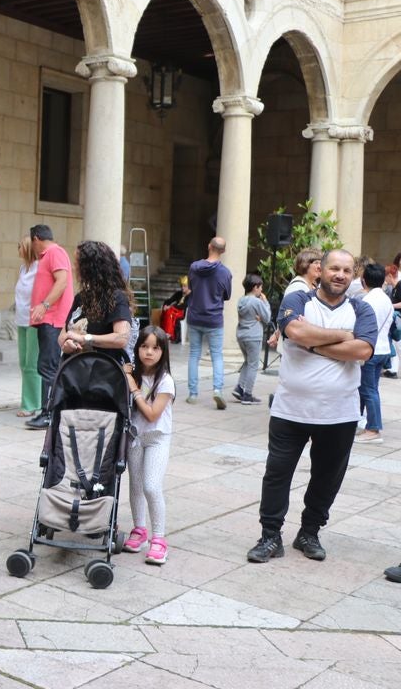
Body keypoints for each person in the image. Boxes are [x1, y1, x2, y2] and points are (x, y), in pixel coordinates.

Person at [246, 250, 376, 564]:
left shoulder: (362, 309)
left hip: (340, 414)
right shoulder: (297, 301)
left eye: (347, 270)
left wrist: (313, 343)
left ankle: (309, 533)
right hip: (290, 410)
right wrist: (341, 337)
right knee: (277, 475)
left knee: (326, 477)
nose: (340, 275)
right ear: (320, 270)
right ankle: (270, 536)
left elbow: (363, 349)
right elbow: (295, 331)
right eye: (334, 268)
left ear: (353, 274)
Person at [121, 325, 176, 565]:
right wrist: (127, 377)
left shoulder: (165, 381)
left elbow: (152, 414)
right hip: (135, 436)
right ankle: (139, 530)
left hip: (157, 438)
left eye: (155, 347)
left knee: (152, 487)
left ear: (163, 351)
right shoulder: (133, 373)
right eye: (144, 346)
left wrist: (133, 388)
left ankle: (159, 539)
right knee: (135, 486)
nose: (149, 352)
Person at [26, 224, 74, 429]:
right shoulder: (49, 255)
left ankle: (49, 414)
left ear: (36, 239)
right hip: (49, 319)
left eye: (32, 243)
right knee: (48, 365)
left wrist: (44, 306)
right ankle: (50, 411)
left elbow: (62, 281)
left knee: (48, 366)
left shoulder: (54, 252)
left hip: (53, 320)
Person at [58, 241, 133, 363]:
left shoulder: (117, 297)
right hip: (73, 371)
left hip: (101, 374)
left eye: (77, 263)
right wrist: (67, 345)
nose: (73, 267)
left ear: (90, 267)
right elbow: (63, 334)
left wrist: (85, 338)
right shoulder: (80, 298)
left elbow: (121, 338)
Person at [185, 237, 233, 409]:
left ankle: (192, 393)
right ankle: (217, 390)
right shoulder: (225, 273)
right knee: (217, 356)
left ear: (209, 246)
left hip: (195, 316)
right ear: (223, 251)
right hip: (214, 319)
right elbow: (227, 296)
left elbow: (191, 287)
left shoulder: (194, 267)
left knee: (194, 354)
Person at [357, 263, 393, 445]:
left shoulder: (367, 301)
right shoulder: (386, 299)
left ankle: (373, 428)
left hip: (370, 351)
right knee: (370, 389)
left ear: (364, 280)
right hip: (383, 349)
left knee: (368, 390)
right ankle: (366, 425)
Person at [13, 236, 41, 418]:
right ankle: (30, 399)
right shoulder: (23, 268)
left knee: (32, 364)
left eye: (20, 246)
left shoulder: (40, 268)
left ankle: (31, 404)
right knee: (24, 363)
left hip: (35, 321)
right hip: (21, 319)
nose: (18, 248)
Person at [233, 274, 271, 405]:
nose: (261, 291)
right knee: (254, 365)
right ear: (255, 287)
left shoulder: (241, 301)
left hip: (241, 334)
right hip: (253, 335)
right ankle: (248, 394)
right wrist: (265, 301)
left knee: (248, 362)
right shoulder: (257, 301)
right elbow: (267, 317)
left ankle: (239, 388)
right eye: (260, 288)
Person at [160, 275, 189, 343]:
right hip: (174, 311)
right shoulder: (179, 293)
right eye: (181, 286)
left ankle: (170, 334)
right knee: (167, 311)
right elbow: (170, 300)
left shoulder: (191, 295)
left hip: (184, 314)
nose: (182, 288)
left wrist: (171, 307)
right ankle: (165, 332)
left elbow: (184, 306)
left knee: (170, 312)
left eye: (185, 286)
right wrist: (166, 305)